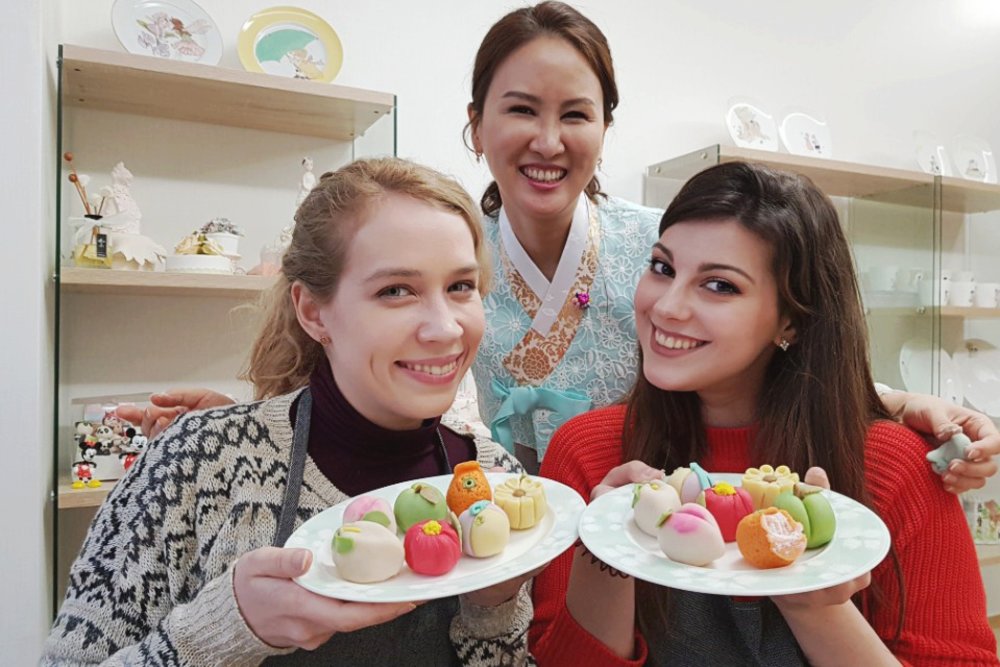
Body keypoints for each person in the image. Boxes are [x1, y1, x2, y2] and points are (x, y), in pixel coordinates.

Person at [125, 1, 1000, 492]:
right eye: (520, 109)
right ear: (475, 126)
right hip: (479, 539)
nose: (548, 139)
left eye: (575, 114)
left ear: (604, 129)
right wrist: (247, 419)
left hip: (648, 540)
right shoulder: (446, 263)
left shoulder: (656, 254)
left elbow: (752, 352)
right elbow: (359, 379)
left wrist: (895, 399)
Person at [43, 158, 536, 666]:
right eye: (396, 290)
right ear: (312, 311)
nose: (445, 329)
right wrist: (226, 628)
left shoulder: (494, 482)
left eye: (460, 287)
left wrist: (491, 610)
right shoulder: (198, 461)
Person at [531, 161, 998, 665]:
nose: (666, 306)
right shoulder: (588, 451)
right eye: (663, 267)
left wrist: (816, 606)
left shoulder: (897, 465)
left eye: (720, 285)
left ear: (792, 322)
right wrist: (609, 552)